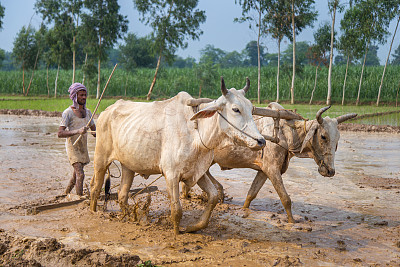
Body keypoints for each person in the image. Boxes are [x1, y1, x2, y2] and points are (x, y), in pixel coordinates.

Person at [58, 83, 96, 196]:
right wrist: (78, 131)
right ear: (75, 96)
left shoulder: (88, 112)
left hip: (82, 147)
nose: (84, 97)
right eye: (81, 95)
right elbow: (60, 133)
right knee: (80, 174)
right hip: (72, 146)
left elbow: (94, 132)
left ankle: (66, 194)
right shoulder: (68, 113)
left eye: (85, 95)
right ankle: (79, 200)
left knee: (76, 175)